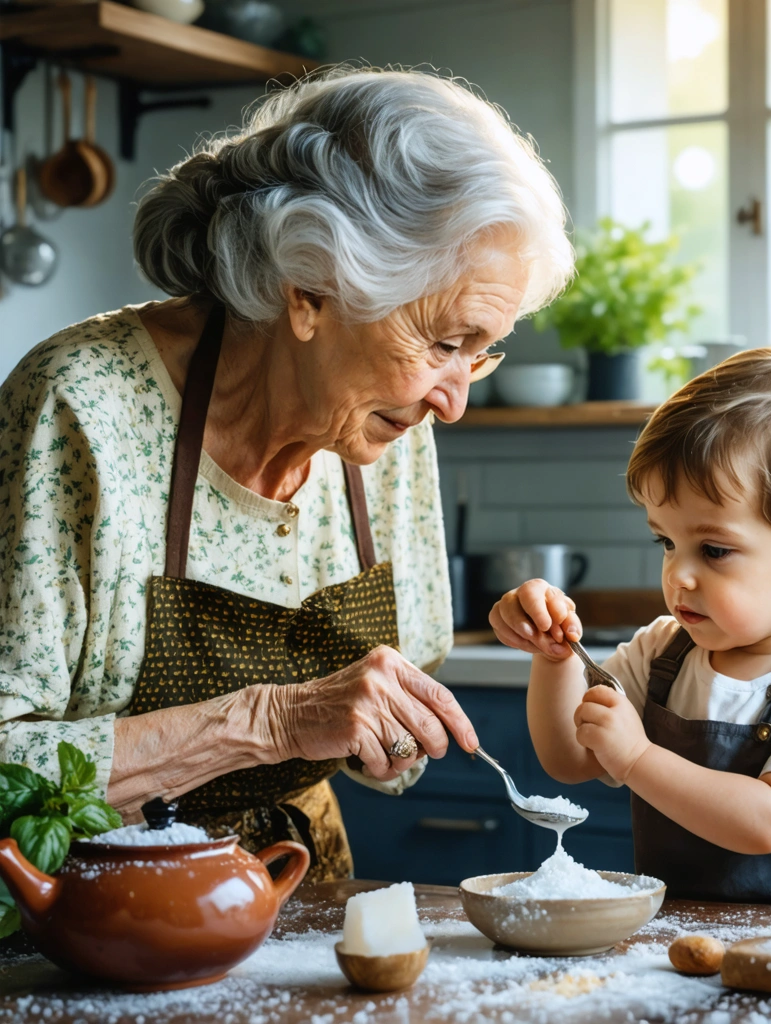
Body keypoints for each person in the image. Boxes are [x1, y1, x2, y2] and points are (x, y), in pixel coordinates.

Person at [0, 66, 573, 881]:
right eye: (445, 343)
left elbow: (392, 748)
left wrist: (393, 728)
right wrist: (270, 721)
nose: (453, 403)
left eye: (480, 354)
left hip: (297, 889)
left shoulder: (387, 427)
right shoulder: (82, 408)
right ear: (308, 292)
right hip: (89, 912)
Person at [490, 348, 771, 901]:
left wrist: (638, 757)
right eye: (666, 541)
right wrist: (554, 655)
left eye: (713, 550)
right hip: (683, 938)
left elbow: (768, 821)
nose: (677, 574)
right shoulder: (661, 653)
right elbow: (569, 758)